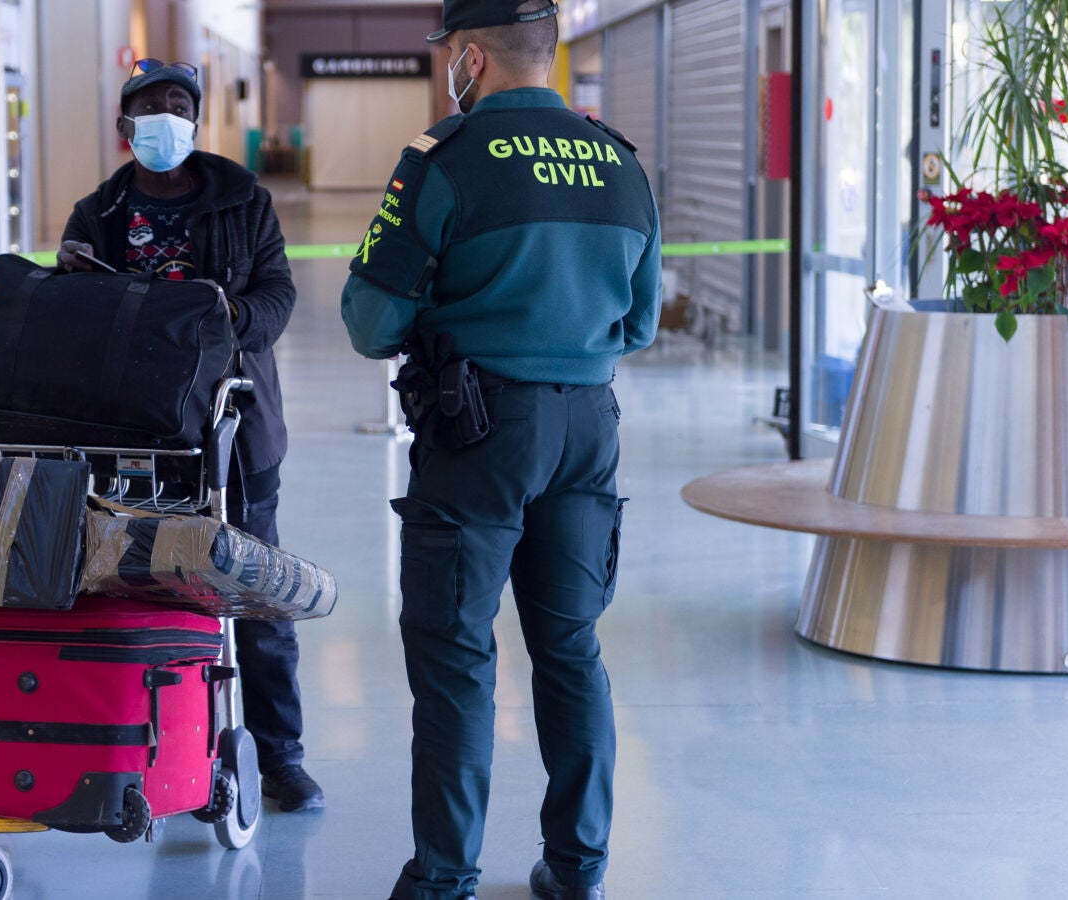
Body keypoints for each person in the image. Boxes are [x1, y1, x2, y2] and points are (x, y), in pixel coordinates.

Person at [340, 1, 661, 897]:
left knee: (455, 656)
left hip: (477, 433)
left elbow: (371, 322)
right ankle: (578, 870)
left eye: (448, 49)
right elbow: (639, 323)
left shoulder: (444, 159)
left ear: (472, 58)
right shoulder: (620, 163)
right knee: (571, 647)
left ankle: (444, 880)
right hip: (588, 431)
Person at [56, 60, 324, 813]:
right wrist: (70, 279)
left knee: (255, 590)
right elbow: (70, 317)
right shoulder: (99, 212)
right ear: (125, 125)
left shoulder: (243, 199)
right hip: (134, 431)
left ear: (197, 120)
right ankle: (157, 747)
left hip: (235, 425)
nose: (166, 118)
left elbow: (277, 293)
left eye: (179, 104)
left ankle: (281, 756)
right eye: (151, 106)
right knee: (140, 588)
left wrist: (228, 317)